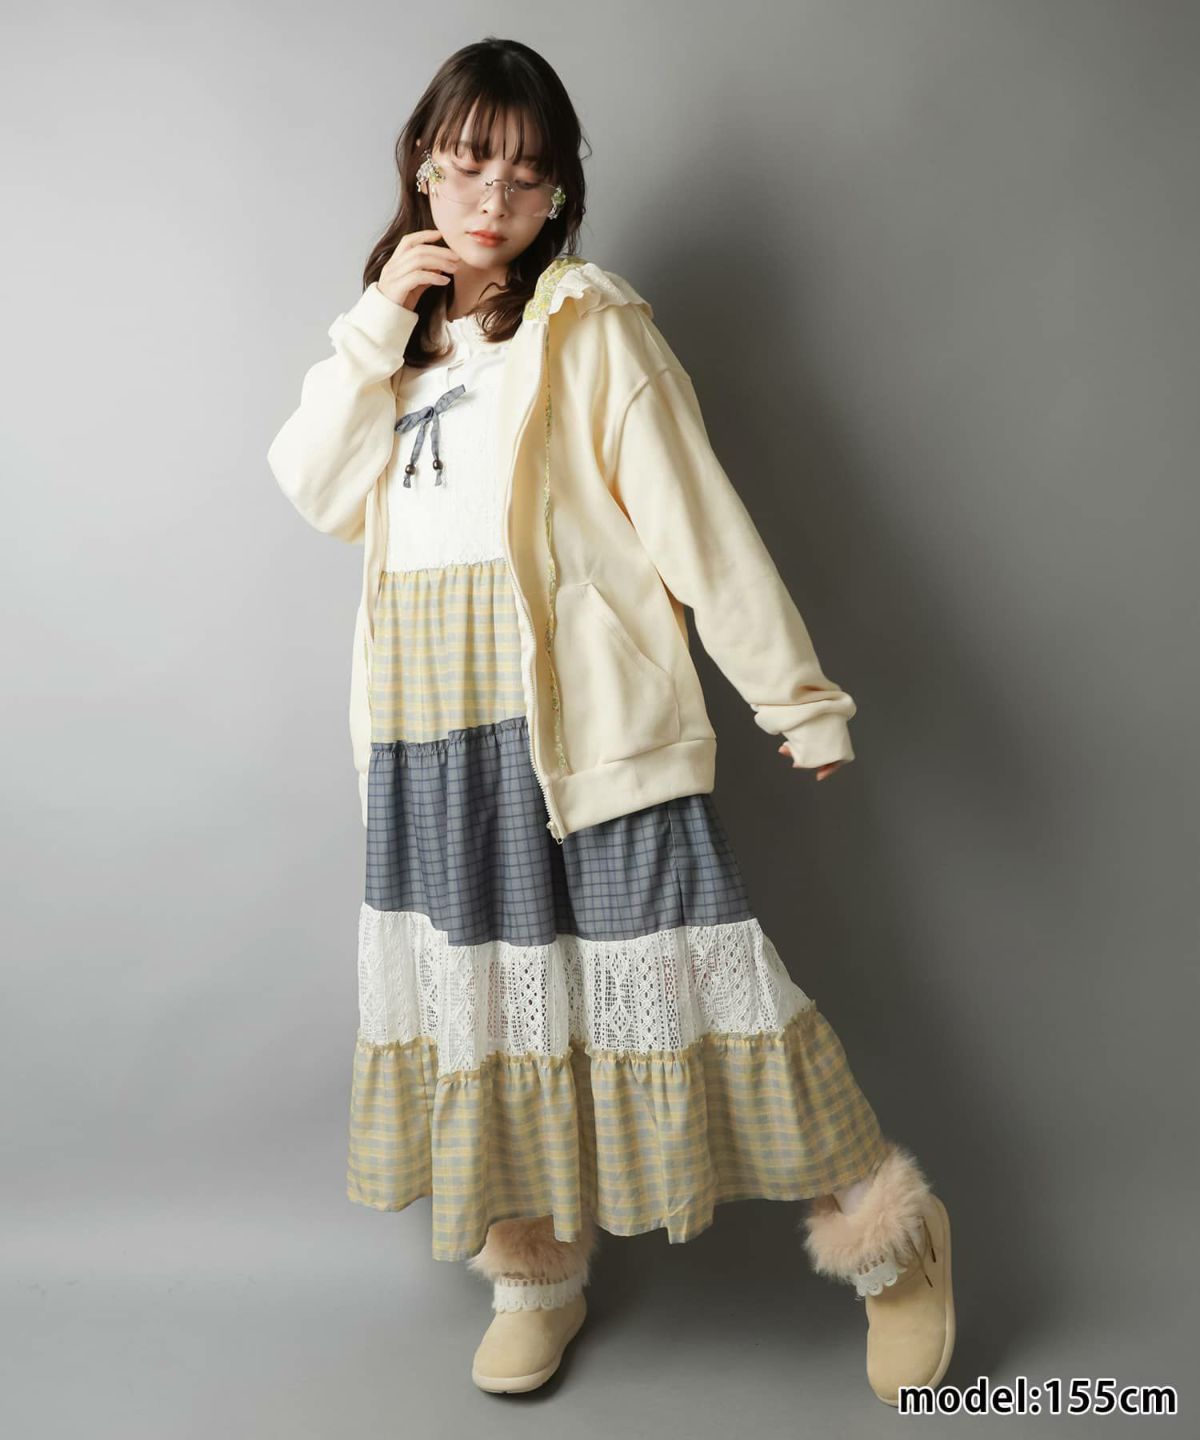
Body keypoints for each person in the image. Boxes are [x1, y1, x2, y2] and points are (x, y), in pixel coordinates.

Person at [267, 35, 955, 1405]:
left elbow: (700, 525)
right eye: (469, 162)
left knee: (710, 984)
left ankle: (895, 1247)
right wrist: (377, 321)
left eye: (526, 174)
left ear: (559, 197)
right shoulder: (393, 349)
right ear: (422, 166)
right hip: (427, 734)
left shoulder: (592, 328)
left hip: (584, 734)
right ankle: (536, 1276)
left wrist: (796, 696)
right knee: (485, 1010)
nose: (493, 196)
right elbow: (314, 488)